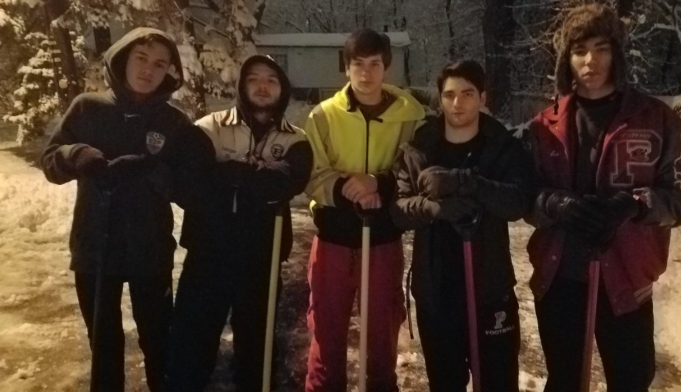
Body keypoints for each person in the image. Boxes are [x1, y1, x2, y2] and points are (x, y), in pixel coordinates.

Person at [524, 4, 681, 392]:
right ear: (566, 59)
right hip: (562, 276)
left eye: (602, 48)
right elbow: (525, 195)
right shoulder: (543, 126)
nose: (591, 60)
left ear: (617, 53)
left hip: (625, 278)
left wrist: (634, 205)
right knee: (566, 381)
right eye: (579, 50)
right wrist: (555, 205)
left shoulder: (657, 119)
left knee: (631, 379)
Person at [40, 27, 214, 392]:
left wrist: (157, 174)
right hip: (94, 249)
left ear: (169, 71)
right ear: (123, 57)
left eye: (159, 63)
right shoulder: (88, 107)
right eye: (141, 58)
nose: (149, 70)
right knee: (103, 341)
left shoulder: (173, 123)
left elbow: (192, 187)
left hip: (149, 250)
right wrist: (76, 155)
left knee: (157, 340)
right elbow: (51, 161)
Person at [165, 54, 312, 392]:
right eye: (254, 79)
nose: (263, 86)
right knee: (192, 341)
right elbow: (188, 183)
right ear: (242, 86)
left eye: (271, 80)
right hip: (208, 254)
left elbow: (287, 181)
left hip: (263, 256)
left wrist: (229, 172)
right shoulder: (208, 127)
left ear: (282, 89)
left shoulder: (295, 139)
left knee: (257, 347)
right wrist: (257, 177)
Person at [391, 60, 533, 392]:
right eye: (450, 94)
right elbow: (397, 209)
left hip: (490, 288)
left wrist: (470, 183)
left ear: (483, 97)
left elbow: (519, 202)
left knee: (497, 381)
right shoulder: (421, 146)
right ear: (439, 99)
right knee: (445, 382)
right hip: (436, 291)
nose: (458, 103)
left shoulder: (501, 145)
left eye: (467, 94)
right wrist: (431, 208)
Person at [303, 28, 425, 392]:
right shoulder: (322, 116)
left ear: (386, 67)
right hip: (333, 239)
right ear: (346, 68)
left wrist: (379, 183)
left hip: (383, 239)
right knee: (326, 328)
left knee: (382, 329)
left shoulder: (410, 116)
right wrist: (343, 188)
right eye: (358, 64)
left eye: (375, 64)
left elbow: (413, 169)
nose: (366, 73)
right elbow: (311, 173)